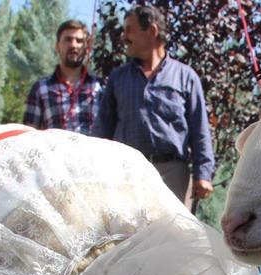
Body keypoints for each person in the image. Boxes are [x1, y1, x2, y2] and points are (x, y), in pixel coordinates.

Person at [94, 4, 214, 204]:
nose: (123, 37)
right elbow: (102, 128)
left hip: (172, 173)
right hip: (125, 173)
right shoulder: (118, 78)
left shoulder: (185, 77)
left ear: (152, 31)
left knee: (172, 233)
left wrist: (203, 174)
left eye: (129, 29)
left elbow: (199, 129)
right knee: (127, 234)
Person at [23, 20, 102, 134]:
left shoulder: (100, 87)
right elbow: (29, 134)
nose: (73, 45)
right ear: (57, 46)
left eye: (79, 41)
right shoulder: (41, 88)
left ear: (87, 48)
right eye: (68, 40)